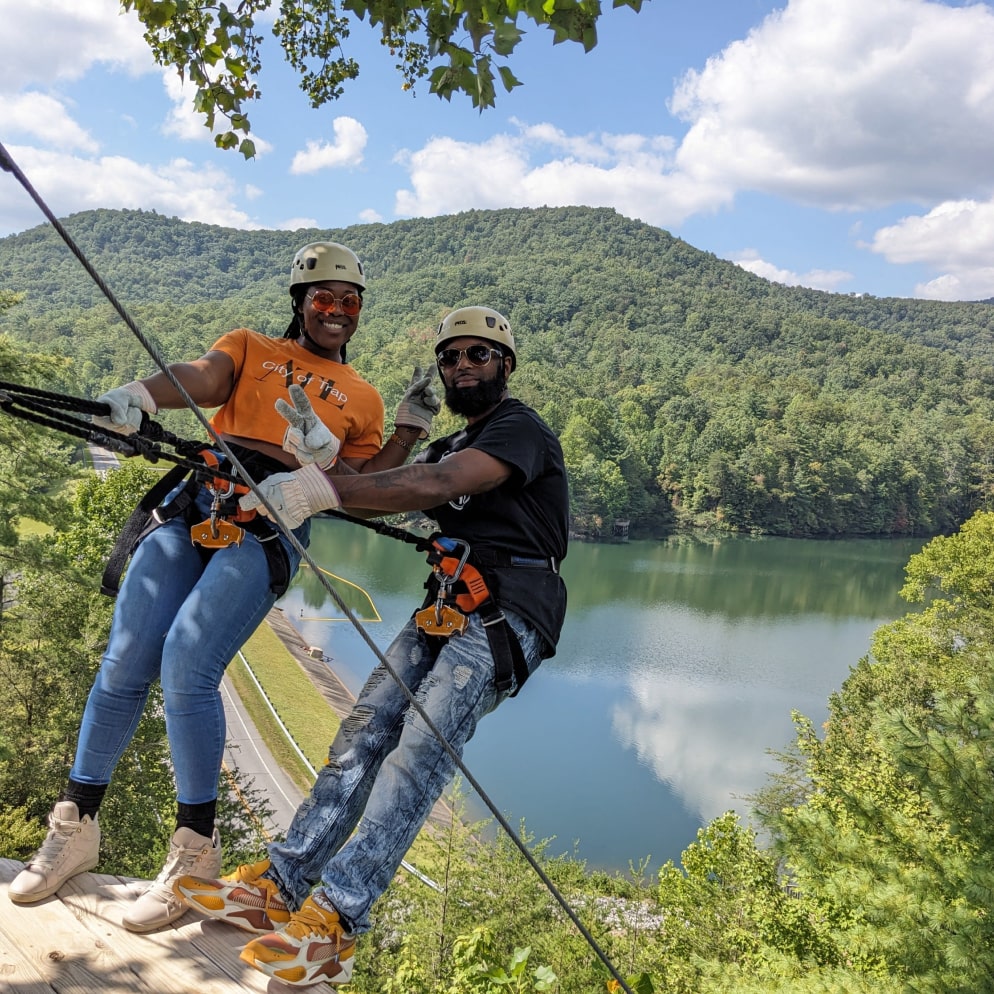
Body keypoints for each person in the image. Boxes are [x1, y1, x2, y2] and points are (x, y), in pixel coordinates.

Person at [8, 241, 441, 934]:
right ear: (300, 303)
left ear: (360, 313)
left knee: (187, 663)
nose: (335, 311)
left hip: (268, 527)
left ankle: (193, 855)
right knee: (125, 658)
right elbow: (202, 377)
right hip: (197, 502)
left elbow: (360, 490)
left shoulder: (362, 397)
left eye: (348, 302)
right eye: (322, 299)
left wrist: (409, 434)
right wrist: (142, 394)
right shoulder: (251, 348)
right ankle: (76, 823)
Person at [173, 305, 569, 987]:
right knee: (362, 735)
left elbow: (437, 487)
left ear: (506, 366)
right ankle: (283, 881)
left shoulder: (517, 430)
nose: (463, 366)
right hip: (449, 603)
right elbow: (378, 492)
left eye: (479, 354)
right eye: (451, 357)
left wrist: (319, 486)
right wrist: (334, 468)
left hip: (509, 614)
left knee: (416, 753)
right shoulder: (447, 445)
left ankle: (337, 920)